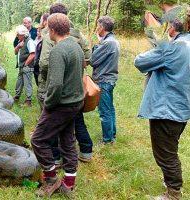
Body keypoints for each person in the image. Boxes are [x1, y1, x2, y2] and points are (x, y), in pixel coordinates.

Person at [134, 19, 190, 200]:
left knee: (166, 154)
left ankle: (173, 193)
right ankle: (170, 183)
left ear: (173, 28)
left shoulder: (173, 47)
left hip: (166, 109)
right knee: (170, 147)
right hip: (181, 107)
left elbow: (140, 61)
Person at [31, 13, 84, 198]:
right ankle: (69, 184)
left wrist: (48, 104)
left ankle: (51, 179)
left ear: (52, 30)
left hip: (61, 105)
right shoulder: (76, 47)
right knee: (68, 142)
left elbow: (55, 84)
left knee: (37, 140)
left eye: (48, 29)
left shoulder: (58, 51)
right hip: (76, 103)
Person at [38, 3, 93, 164]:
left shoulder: (52, 37)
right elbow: (88, 56)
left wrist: (59, 68)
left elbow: (44, 63)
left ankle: (55, 158)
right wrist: (77, 66)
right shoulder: (76, 34)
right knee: (76, 121)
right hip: (76, 88)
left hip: (58, 89)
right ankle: (85, 151)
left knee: (50, 128)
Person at [90, 16, 120, 144]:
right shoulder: (113, 41)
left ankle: (107, 140)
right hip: (109, 79)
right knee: (109, 109)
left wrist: (96, 46)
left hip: (104, 80)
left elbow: (92, 60)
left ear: (102, 27)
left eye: (98, 26)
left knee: (104, 111)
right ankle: (111, 135)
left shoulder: (107, 43)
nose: (97, 28)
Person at [13, 25, 36, 107]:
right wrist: (18, 46)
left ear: (23, 35)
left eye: (18, 35)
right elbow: (15, 52)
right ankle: (16, 97)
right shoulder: (20, 41)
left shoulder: (29, 41)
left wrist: (25, 64)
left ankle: (28, 101)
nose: (17, 36)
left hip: (27, 67)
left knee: (27, 84)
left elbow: (33, 54)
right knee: (19, 82)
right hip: (21, 66)